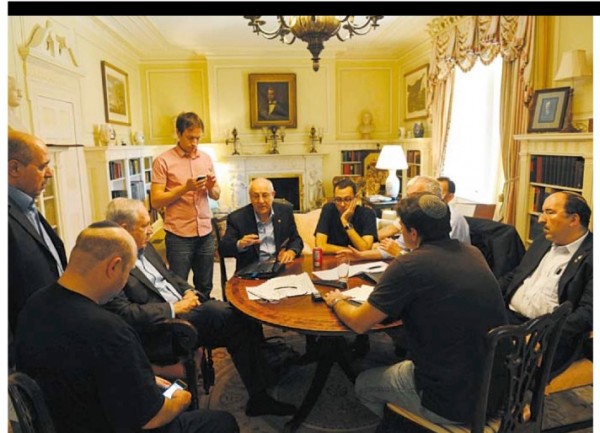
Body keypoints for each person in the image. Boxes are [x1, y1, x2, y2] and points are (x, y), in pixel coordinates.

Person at [16, 222, 239, 433]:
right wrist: (182, 399)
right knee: (222, 422)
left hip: (58, 420)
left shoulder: (33, 305)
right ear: (113, 266)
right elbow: (152, 417)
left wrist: (138, 378)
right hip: (108, 426)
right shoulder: (110, 330)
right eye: (127, 272)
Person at [323, 193, 507, 423]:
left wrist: (337, 300)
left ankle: (409, 425)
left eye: (401, 226)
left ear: (412, 233)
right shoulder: (473, 253)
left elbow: (359, 323)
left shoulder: (408, 265)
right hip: (495, 387)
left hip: (451, 401)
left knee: (363, 384)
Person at [104, 198, 297, 417]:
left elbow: (170, 277)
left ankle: (260, 392)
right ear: (124, 228)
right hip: (165, 329)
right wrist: (175, 307)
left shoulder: (144, 248)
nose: (150, 230)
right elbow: (125, 314)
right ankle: (264, 376)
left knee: (240, 321)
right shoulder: (112, 265)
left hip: (186, 311)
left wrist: (188, 291)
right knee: (221, 311)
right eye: (145, 225)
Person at [499, 191, 592, 374]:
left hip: (551, 334)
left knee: (497, 365)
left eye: (550, 212)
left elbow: (587, 313)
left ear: (574, 219)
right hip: (510, 318)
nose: (541, 219)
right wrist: (485, 291)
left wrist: (542, 334)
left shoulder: (592, 256)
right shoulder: (543, 241)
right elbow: (516, 276)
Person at [151, 112, 220, 298]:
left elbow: (216, 194)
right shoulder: (163, 161)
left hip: (205, 232)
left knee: (205, 285)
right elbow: (156, 201)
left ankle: (204, 314)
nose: (194, 143)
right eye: (190, 138)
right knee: (177, 286)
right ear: (178, 133)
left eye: (198, 138)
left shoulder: (206, 158)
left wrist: (211, 187)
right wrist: (185, 188)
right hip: (179, 235)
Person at [8, 131, 67, 340]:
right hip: (29, 339)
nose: (49, 174)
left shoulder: (27, 206)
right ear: (14, 168)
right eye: (42, 167)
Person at [348, 175, 470, 261]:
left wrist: (399, 253)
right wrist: (360, 255)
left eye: (413, 197)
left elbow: (433, 262)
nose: (407, 201)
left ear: (430, 197)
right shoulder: (416, 216)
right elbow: (396, 247)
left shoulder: (449, 220)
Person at [220, 178, 303, 272]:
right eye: (255, 196)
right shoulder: (237, 218)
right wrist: (240, 244)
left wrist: (291, 251)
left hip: (280, 267)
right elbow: (223, 249)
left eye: (265, 195)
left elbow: (296, 240)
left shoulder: (285, 212)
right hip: (251, 272)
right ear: (250, 197)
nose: (261, 201)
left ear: (273, 195)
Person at [315, 178, 377, 254]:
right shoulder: (328, 209)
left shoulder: (367, 214)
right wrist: (351, 251)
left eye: (347, 199)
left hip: (358, 260)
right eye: (338, 200)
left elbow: (365, 249)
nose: (342, 204)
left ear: (356, 199)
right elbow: (320, 246)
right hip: (333, 258)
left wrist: (345, 222)